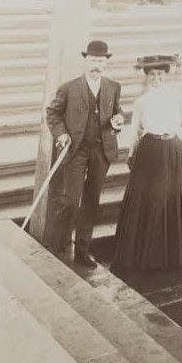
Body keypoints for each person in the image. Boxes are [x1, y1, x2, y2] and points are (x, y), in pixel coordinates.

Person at [112, 54, 182, 271]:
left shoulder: (176, 97)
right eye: (152, 75)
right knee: (149, 198)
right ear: (147, 77)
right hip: (150, 150)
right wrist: (131, 154)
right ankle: (143, 256)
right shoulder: (141, 102)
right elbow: (135, 131)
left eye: (160, 74)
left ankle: (169, 256)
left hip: (172, 149)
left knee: (169, 195)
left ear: (166, 76)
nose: (156, 78)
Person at [46, 40, 124, 267]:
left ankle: (83, 250)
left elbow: (118, 111)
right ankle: (58, 245)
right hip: (76, 150)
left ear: (106, 62)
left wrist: (118, 120)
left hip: (102, 150)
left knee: (91, 200)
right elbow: (53, 114)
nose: (96, 65)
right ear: (85, 60)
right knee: (70, 200)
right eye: (92, 60)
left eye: (100, 61)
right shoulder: (69, 88)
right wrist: (60, 134)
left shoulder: (113, 86)